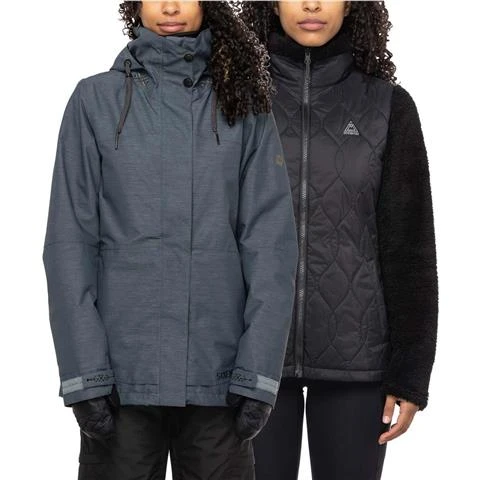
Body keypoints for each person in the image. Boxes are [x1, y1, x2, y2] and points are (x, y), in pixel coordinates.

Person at [41, 1, 298, 479]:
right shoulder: (94, 101)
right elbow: (68, 244)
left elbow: (272, 248)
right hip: (120, 384)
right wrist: (84, 376)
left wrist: (258, 375)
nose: (171, 6)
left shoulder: (243, 104)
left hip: (220, 383)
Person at [237, 1, 439, 479]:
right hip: (250, 357)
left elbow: (410, 247)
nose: (311, 4)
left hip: (358, 360)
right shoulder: (234, 101)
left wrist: (411, 372)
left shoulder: (388, 106)